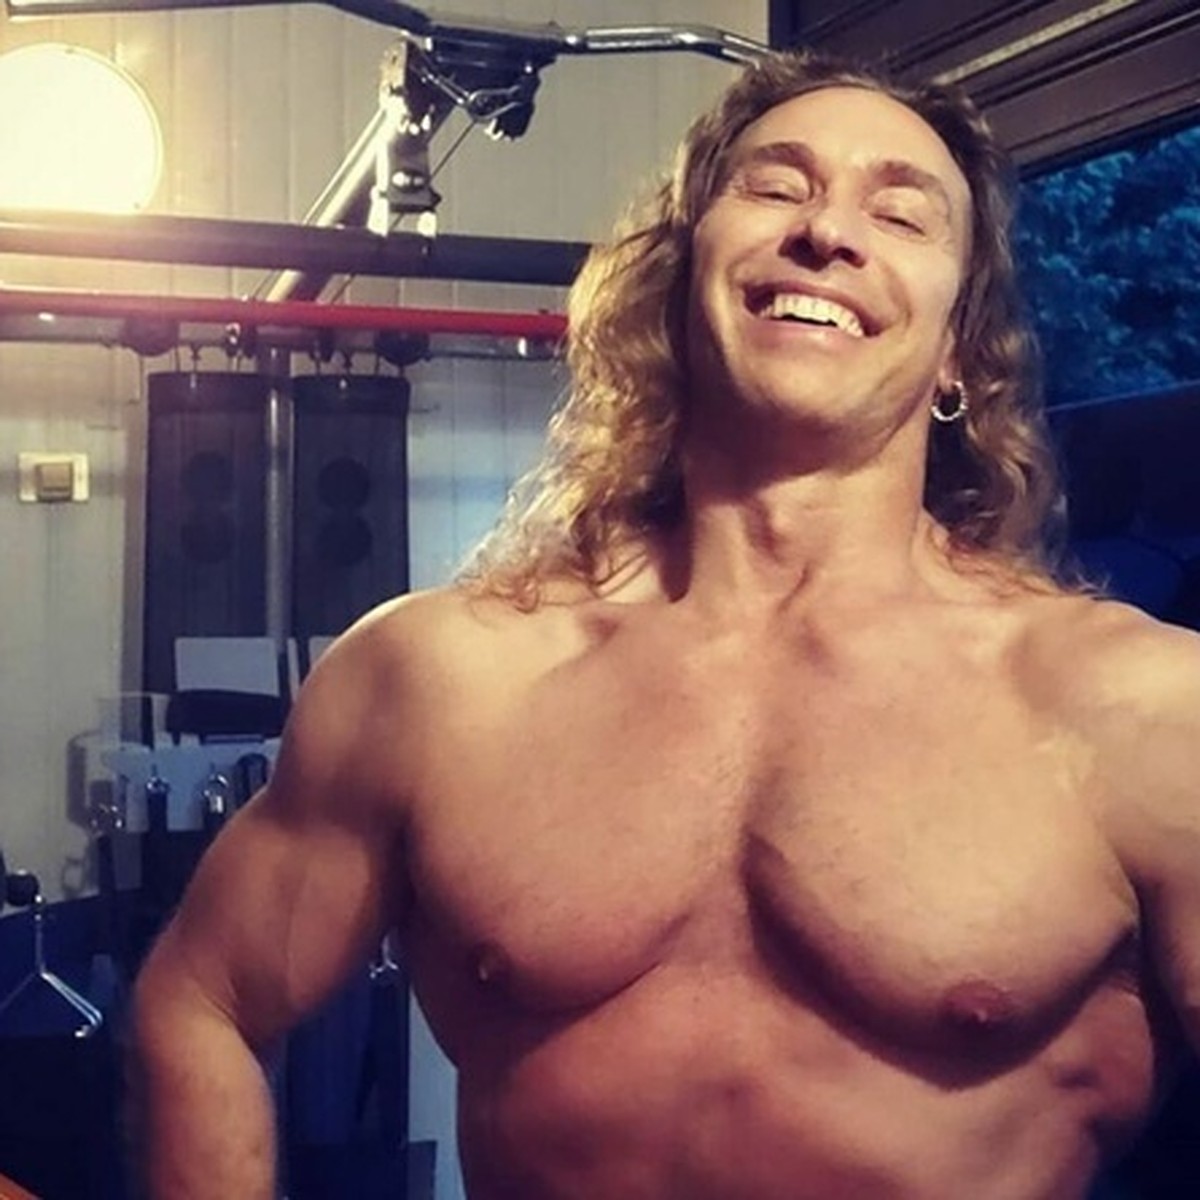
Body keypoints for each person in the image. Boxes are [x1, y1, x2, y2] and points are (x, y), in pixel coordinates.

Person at [130, 48, 1200, 1200]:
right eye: (776, 186)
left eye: (900, 214)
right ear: (682, 281)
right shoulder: (441, 678)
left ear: (959, 355)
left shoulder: (1138, 711)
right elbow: (201, 1001)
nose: (827, 232)